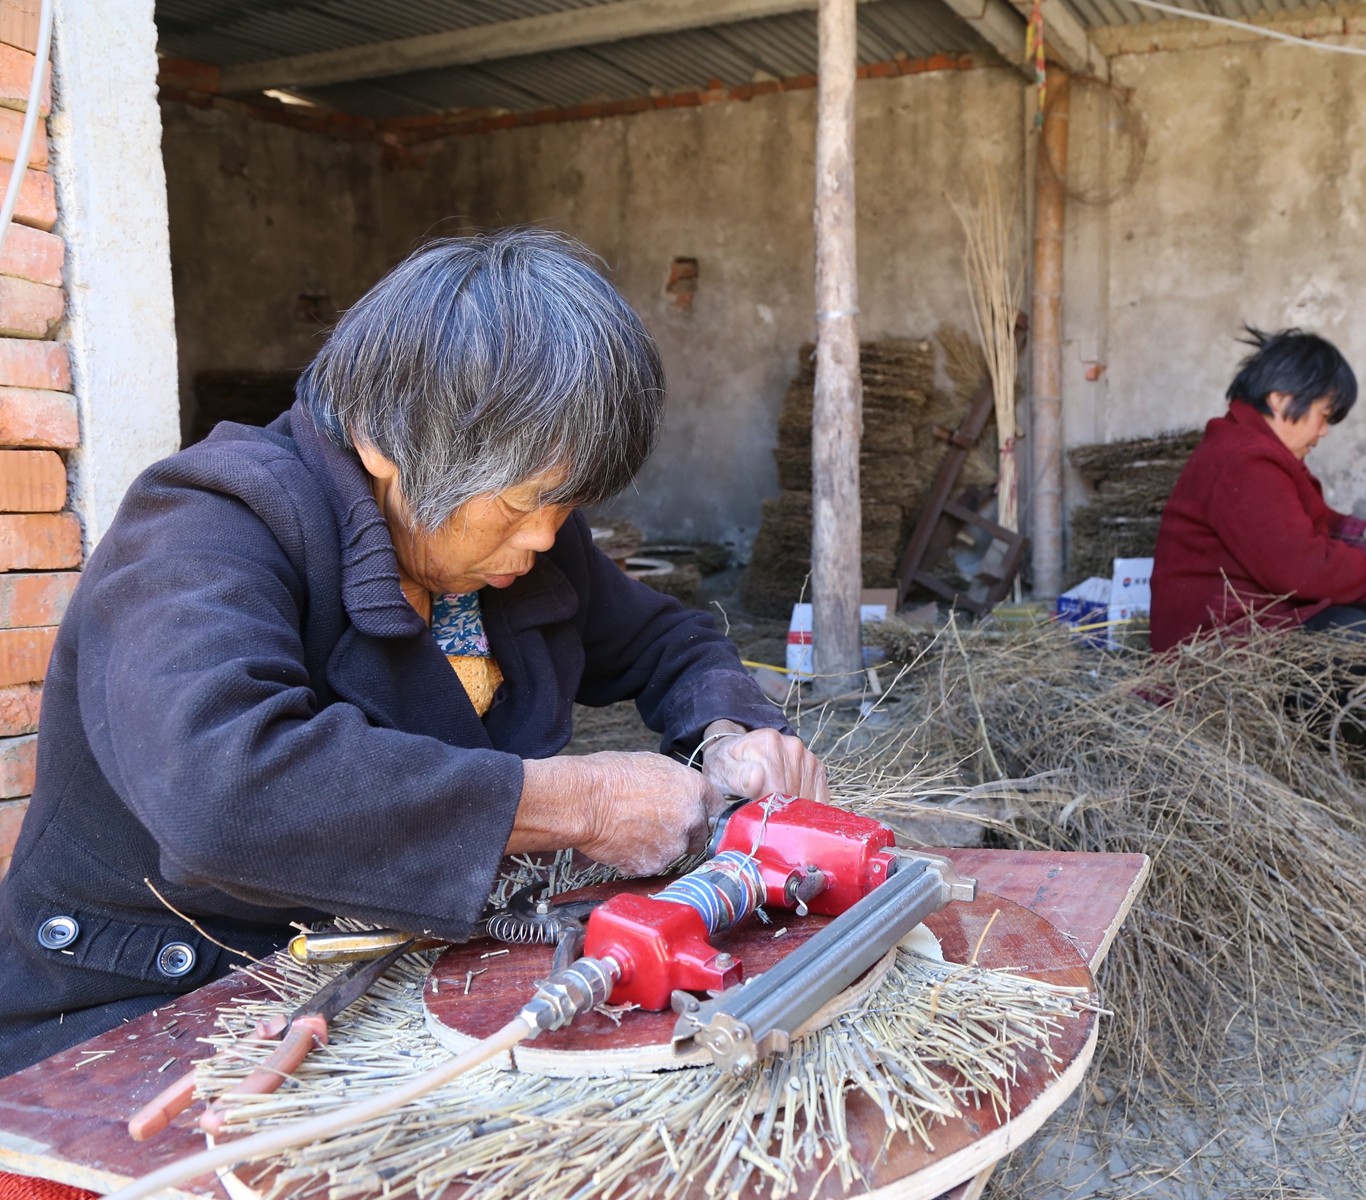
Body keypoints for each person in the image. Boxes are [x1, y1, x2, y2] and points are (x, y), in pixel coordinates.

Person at [0, 229, 828, 1077]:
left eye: (564, 503)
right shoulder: (207, 522)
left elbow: (666, 638)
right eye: (518, 504)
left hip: (382, 969)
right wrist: (578, 801)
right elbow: (224, 786)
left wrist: (728, 733)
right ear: (383, 443)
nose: (545, 537)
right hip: (151, 996)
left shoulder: (522, 543)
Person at [1150, 327, 1366, 650]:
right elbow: (1300, 570)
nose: (1323, 432)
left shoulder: (1252, 446)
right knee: (1350, 635)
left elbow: (1306, 520)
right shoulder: (1245, 460)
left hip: (1258, 612)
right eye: (1322, 415)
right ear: (1280, 399)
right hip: (1215, 644)